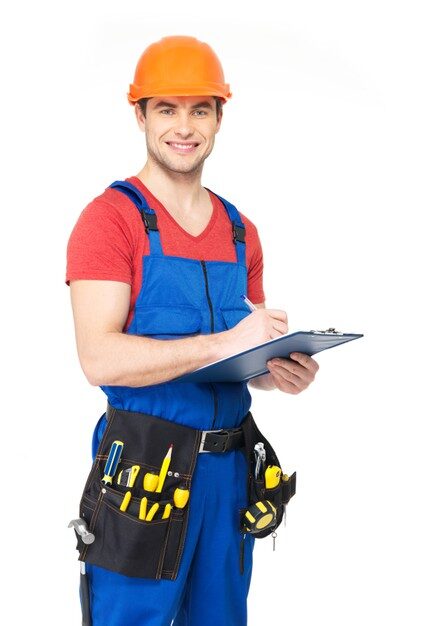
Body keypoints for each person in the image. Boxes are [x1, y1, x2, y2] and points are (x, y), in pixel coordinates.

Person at [66, 35, 319, 626]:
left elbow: (244, 357)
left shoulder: (240, 231)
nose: (185, 126)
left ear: (219, 117)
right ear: (140, 115)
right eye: (167, 108)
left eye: (200, 109)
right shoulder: (110, 221)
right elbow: (98, 358)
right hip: (145, 472)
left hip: (230, 476)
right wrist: (231, 342)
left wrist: (278, 371)